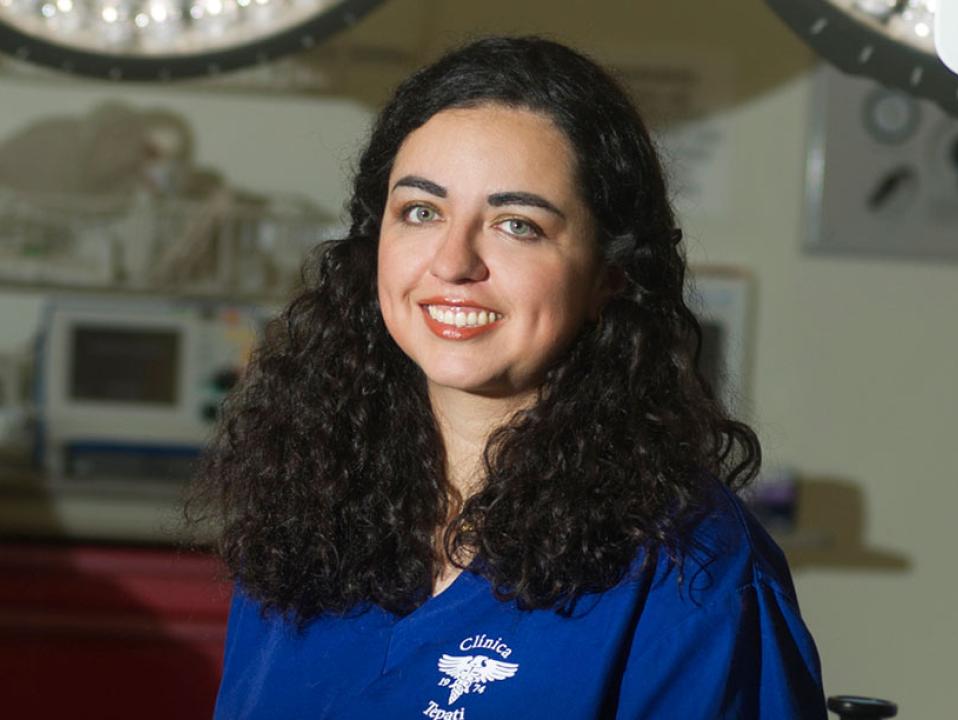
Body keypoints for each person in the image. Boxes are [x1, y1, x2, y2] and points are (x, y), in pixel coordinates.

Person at [189, 36, 826, 719]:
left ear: (609, 276)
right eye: (422, 211)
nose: (453, 262)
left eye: (516, 224)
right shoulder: (309, 512)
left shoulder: (690, 573)